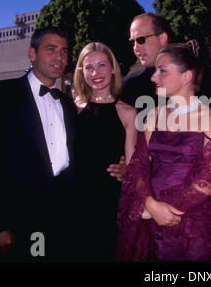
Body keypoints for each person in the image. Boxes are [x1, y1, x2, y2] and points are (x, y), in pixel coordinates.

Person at [116, 42, 211, 261]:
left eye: (162, 71)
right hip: (149, 216)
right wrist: (149, 205)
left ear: (186, 77)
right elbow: (138, 165)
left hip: (192, 224)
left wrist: (164, 210)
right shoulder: (154, 115)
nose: (153, 77)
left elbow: (208, 181)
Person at [0, 27, 77, 262]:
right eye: (51, 50)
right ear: (32, 54)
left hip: (62, 223)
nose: (59, 57)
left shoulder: (67, 105)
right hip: (15, 226)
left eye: (64, 52)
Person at [73, 41, 137, 262]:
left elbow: (133, 169)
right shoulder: (70, 109)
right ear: (81, 72)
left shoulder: (128, 113)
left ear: (112, 68)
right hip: (73, 206)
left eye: (102, 65)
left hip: (110, 207)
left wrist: (126, 169)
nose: (96, 73)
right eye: (88, 67)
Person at [121, 13, 172, 110]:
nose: (135, 47)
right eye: (133, 42)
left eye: (141, 40)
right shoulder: (128, 87)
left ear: (162, 38)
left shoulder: (201, 78)